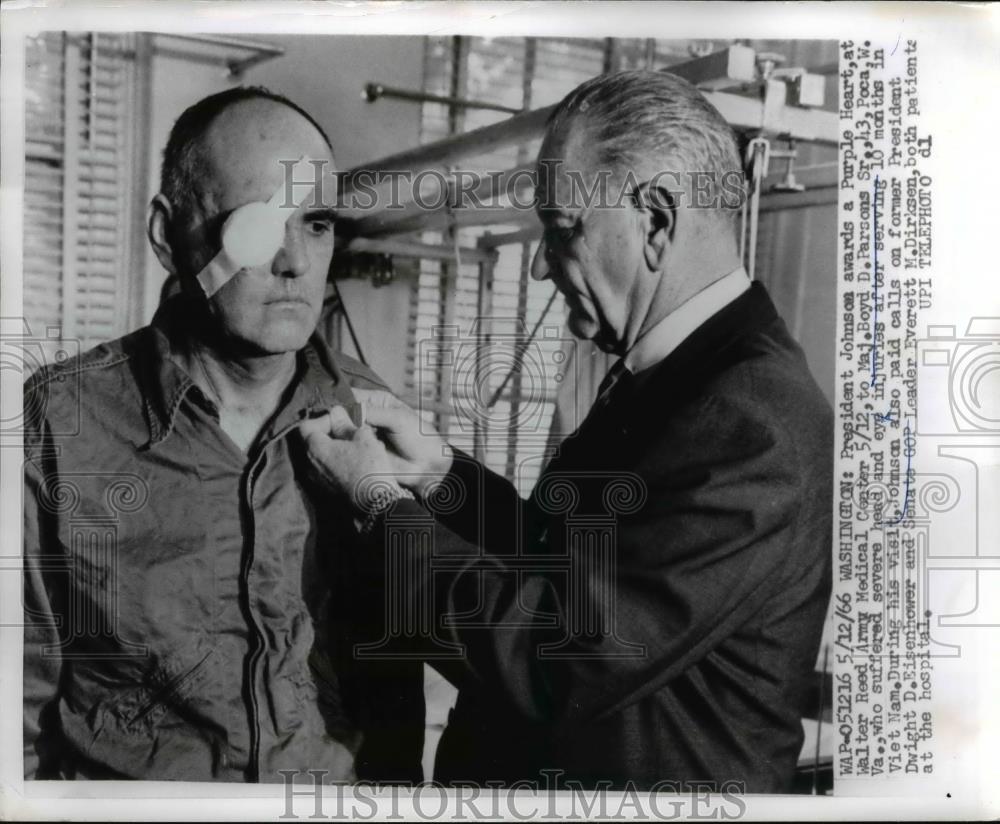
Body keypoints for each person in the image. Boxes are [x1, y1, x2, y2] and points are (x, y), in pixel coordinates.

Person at [300, 70, 833, 792]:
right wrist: (440, 478)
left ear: (655, 219)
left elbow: (553, 656)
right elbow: (568, 570)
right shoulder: (674, 376)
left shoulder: (750, 420)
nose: (544, 270)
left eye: (561, 229)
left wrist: (377, 501)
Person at [22, 86, 423, 782]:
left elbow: (394, 707)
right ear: (166, 236)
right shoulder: (59, 423)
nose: (295, 262)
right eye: (258, 228)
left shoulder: (373, 420)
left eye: (318, 224)